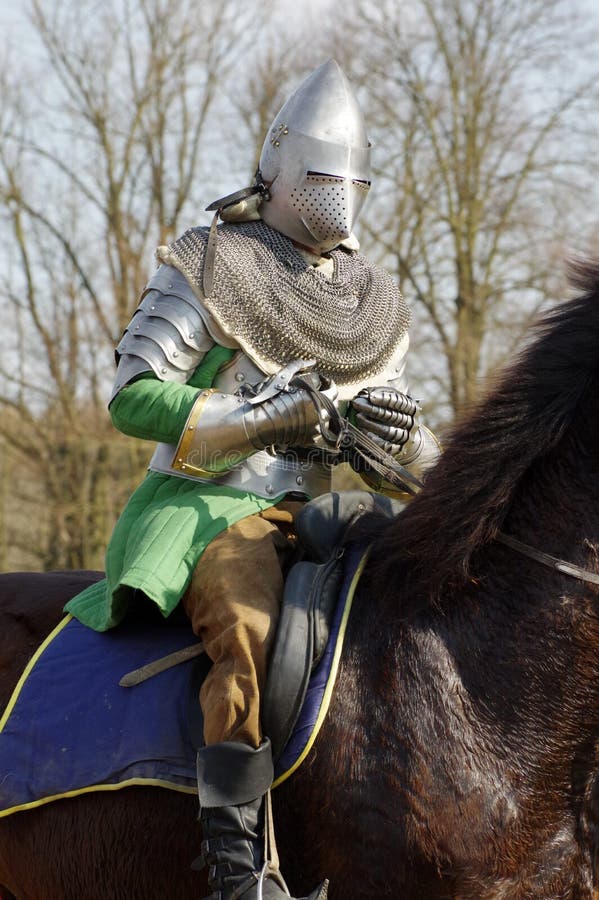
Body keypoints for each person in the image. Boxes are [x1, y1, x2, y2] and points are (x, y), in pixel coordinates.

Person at [67, 59, 439, 900]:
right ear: (274, 169)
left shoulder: (372, 300)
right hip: (208, 506)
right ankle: (239, 872)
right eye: (320, 178)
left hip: (325, 511)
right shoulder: (211, 261)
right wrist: (262, 419)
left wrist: (410, 441)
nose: (334, 197)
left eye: (347, 182)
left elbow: (410, 451)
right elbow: (133, 398)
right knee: (247, 628)